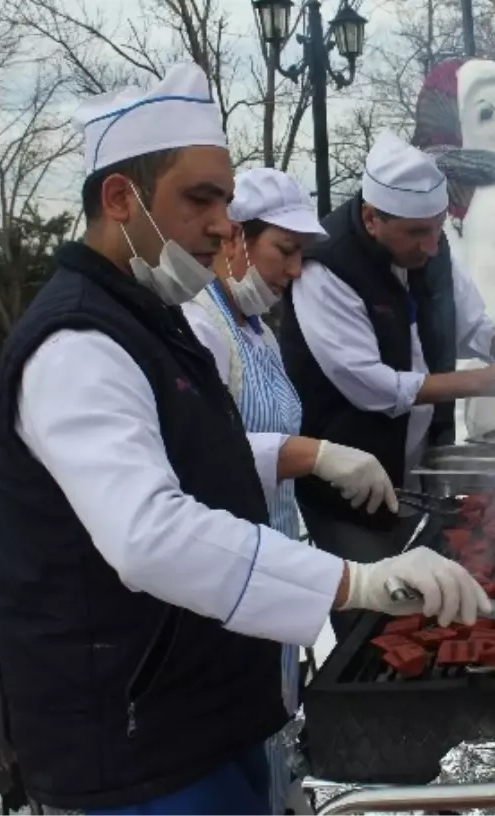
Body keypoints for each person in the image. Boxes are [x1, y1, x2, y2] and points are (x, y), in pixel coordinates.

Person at [0, 65, 488, 816]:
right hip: (134, 747)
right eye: (201, 198)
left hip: (206, 711)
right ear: (120, 199)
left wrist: (317, 454)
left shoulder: (150, 317)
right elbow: (149, 533)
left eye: (224, 198)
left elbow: (199, 459)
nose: (224, 223)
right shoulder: (76, 343)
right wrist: (352, 582)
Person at [280, 130, 495, 637]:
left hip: (423, 465)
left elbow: (475, 326)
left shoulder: (434, 248)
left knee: (432, 603)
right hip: (350, 482)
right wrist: (487, 382)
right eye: (417, 233)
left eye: (438, 229)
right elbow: (372, 388)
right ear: (373, 218)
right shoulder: (325, 271)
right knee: (375, 620)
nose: (432, 245)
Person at [180, 167, 328, 816]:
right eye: (285, 251)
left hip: (274, 559)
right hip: (226, 574)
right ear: (235, 238)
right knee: (243, 734)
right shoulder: (198, 326)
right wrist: (316, 456)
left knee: (277, 720)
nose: (295, 271)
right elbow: (200, 457)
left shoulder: (260, 334)